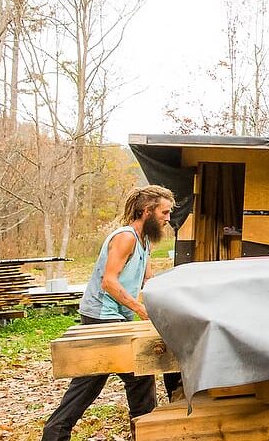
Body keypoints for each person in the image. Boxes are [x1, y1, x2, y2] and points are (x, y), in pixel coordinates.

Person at [42, 185, 175, 441]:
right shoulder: (125, 237)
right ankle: (55, 433)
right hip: (100, 316)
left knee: (139, 376)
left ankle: (144, 432)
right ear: (147, 211)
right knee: (95, 380)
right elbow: (109, 282)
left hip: (118, 317)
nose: (167, 219)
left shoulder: (144, 241)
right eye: (164, 212)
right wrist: (139, 309)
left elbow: (149, 280)